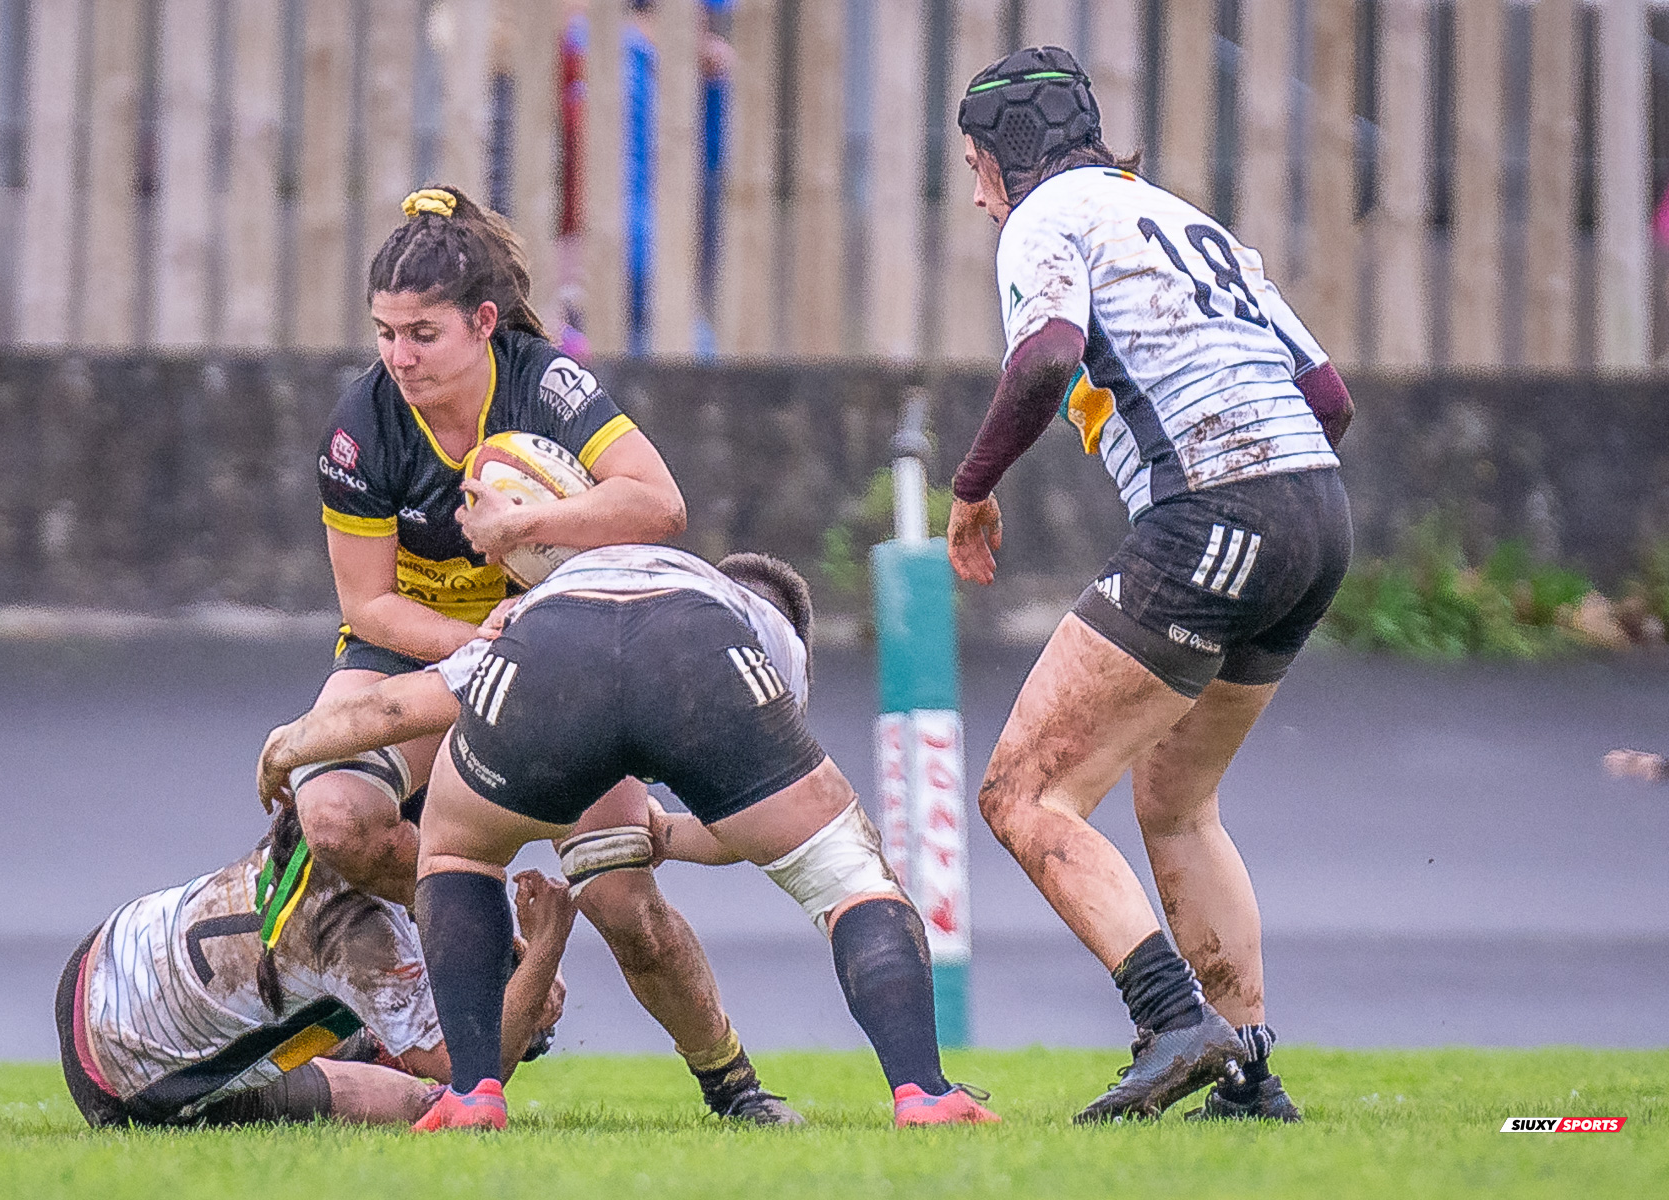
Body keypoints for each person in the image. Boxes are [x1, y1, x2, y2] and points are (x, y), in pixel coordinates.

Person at [302, 183, 790, 1123]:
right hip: (420, 648)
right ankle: (505, 947)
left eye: (422, 334)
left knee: (622, 902)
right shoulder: (360, 426)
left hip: (558, 652)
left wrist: (527, 527)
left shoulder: (546, 382)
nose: (398, 357)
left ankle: (730, 1082)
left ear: (483, 323)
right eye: (384, 333)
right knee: (332, 815)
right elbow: (367, 602)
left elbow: (660, 506)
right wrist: (470, 645)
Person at [946, 47, 1355, 1123]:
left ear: (998, 160)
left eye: (975, 166)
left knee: (1022, 793)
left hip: (1219, 511)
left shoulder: (1044, 220)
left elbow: (1043, 357)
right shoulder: (1187, 221)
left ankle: (1175, 1024)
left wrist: (974, 486)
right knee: (1175, 801)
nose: (977, 192)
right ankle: (1249, 1074)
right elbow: (1330, 396)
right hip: (1318, 514)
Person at [257, 547, 1002, 1131]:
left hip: (551, 658)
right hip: (689, 653)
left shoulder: (546, 598)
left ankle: (473, 1095)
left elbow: (398, 705)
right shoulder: (760, 630)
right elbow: (754, 822)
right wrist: (674, 835)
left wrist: (290, 745)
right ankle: (923, 1093)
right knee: (848, 877)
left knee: (456, 853)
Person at [54, 803, 570, 1128]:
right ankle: (388, 1047)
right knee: (427, 1100)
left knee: (337, 1008)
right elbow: (471, 1075)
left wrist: (286, 748)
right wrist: (545, 948)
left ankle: (385, 1041)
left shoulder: (335, 803)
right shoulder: (359, 934)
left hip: (103, 955)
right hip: (131, 1079)